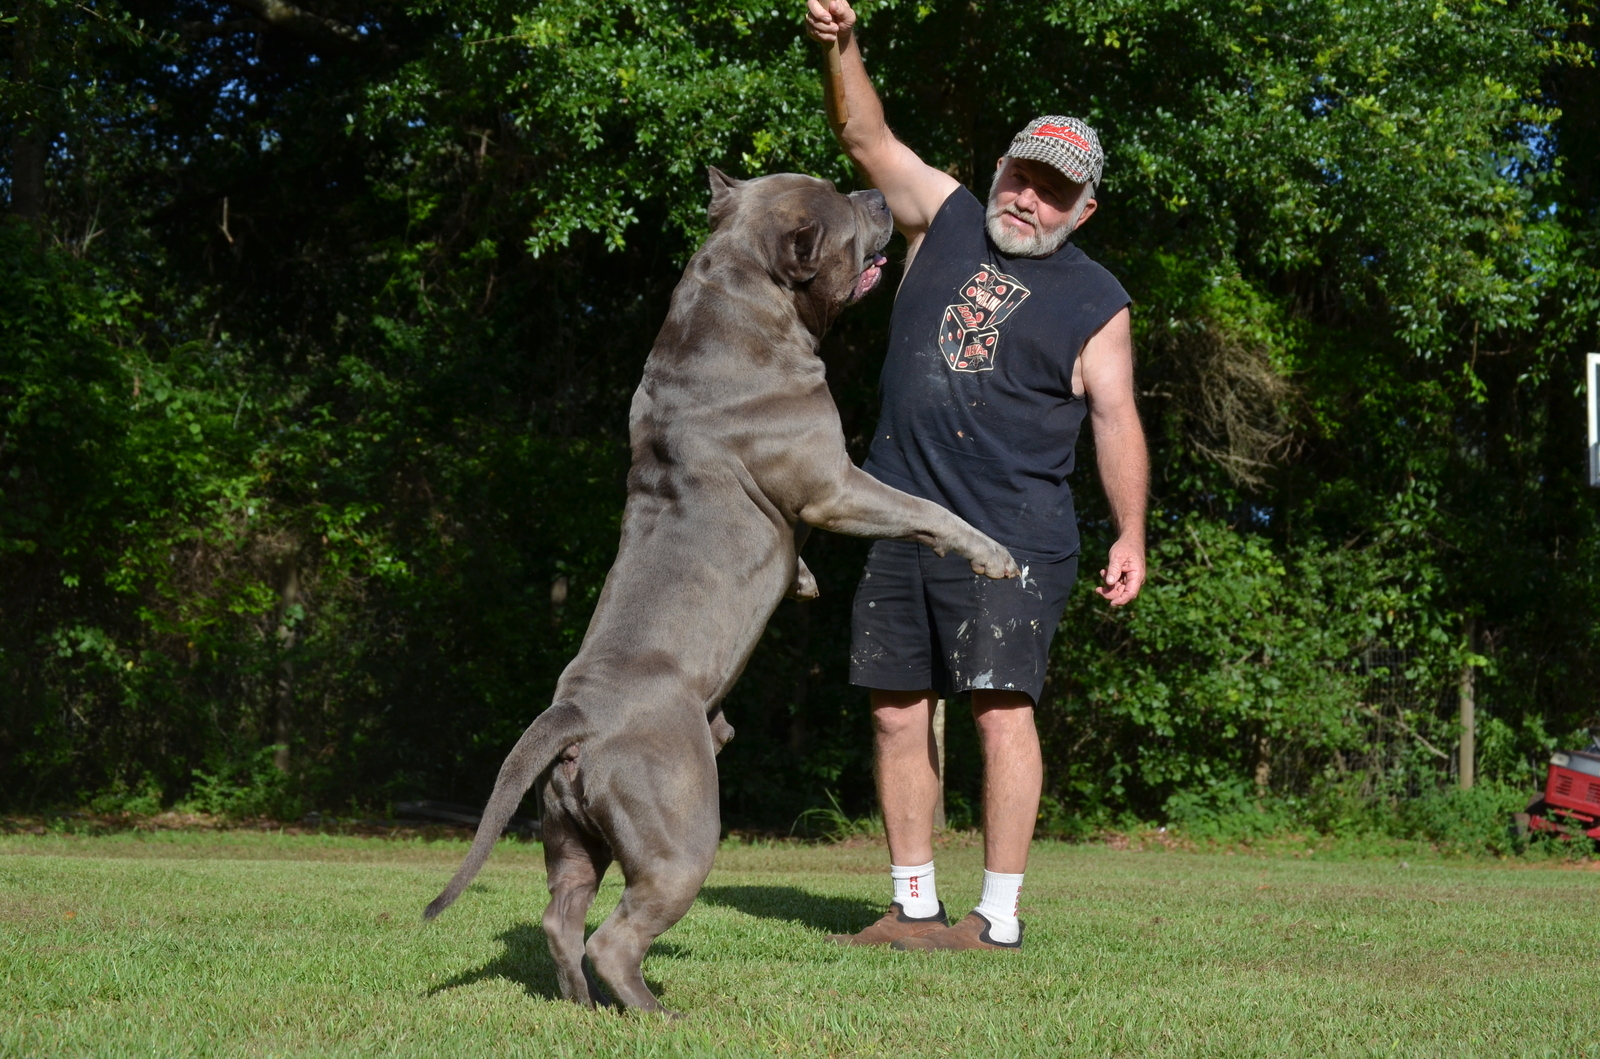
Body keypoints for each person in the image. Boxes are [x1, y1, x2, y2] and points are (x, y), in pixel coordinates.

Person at [805, 0, 1149, 951]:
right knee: (893, 710)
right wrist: (842, 47)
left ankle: (995, 918)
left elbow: (1117, 420)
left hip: (1013, 535)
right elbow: (863, 133)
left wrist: (1132, 532)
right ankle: (914, 905)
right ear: (998, 168)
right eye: (1020, 174)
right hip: (897, 513)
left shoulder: (1095, 297)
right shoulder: (946, 216)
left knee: (1001, 709)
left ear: (1083, 209)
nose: (1026, 198)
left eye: (1051, 191)